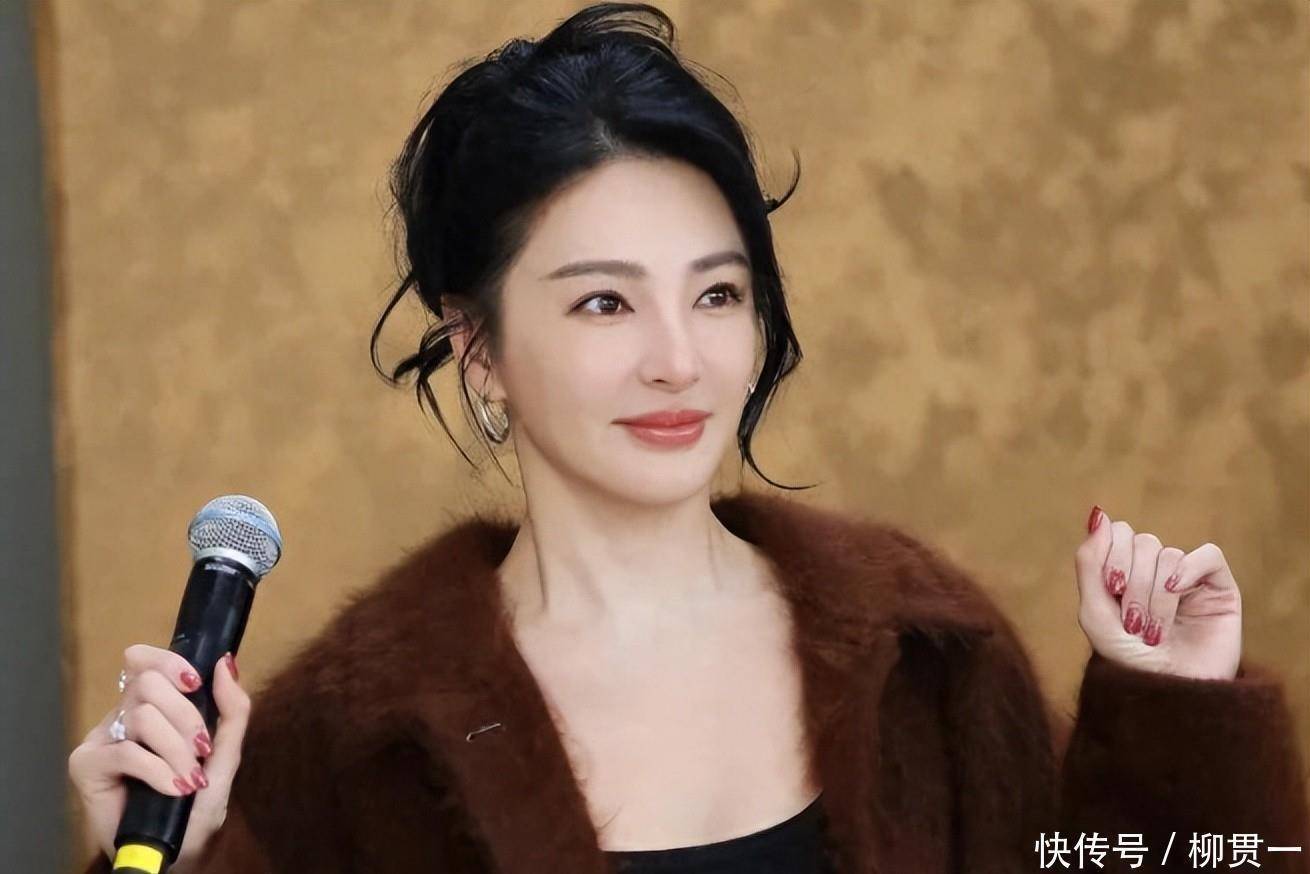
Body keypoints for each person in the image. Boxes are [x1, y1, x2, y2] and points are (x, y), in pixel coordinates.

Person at [69, 3, 1309, 872]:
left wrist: (1177, 719)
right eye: (603, 303)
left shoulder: (924, 650)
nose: (679, 355)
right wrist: (188, 851)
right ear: (477, 345)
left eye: (715, 293)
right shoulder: (350, 736)